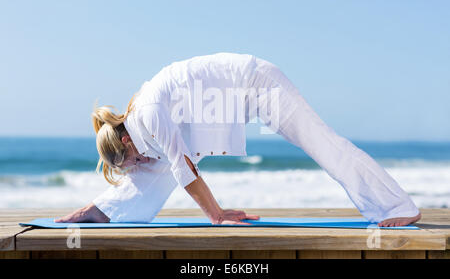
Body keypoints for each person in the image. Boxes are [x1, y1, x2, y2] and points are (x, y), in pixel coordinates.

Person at [56, 52, 421, 227]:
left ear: (126, 143)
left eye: (126, 162)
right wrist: (215, 209)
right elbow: (175, 165)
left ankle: (397, 206)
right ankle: (102, 211)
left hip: (258, 84)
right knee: (160, 166)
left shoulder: (147, 115)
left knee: (323, 144)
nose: (133, 167)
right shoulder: (142, 124)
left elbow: (185, 170)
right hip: (234, 98)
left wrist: (215, 215)